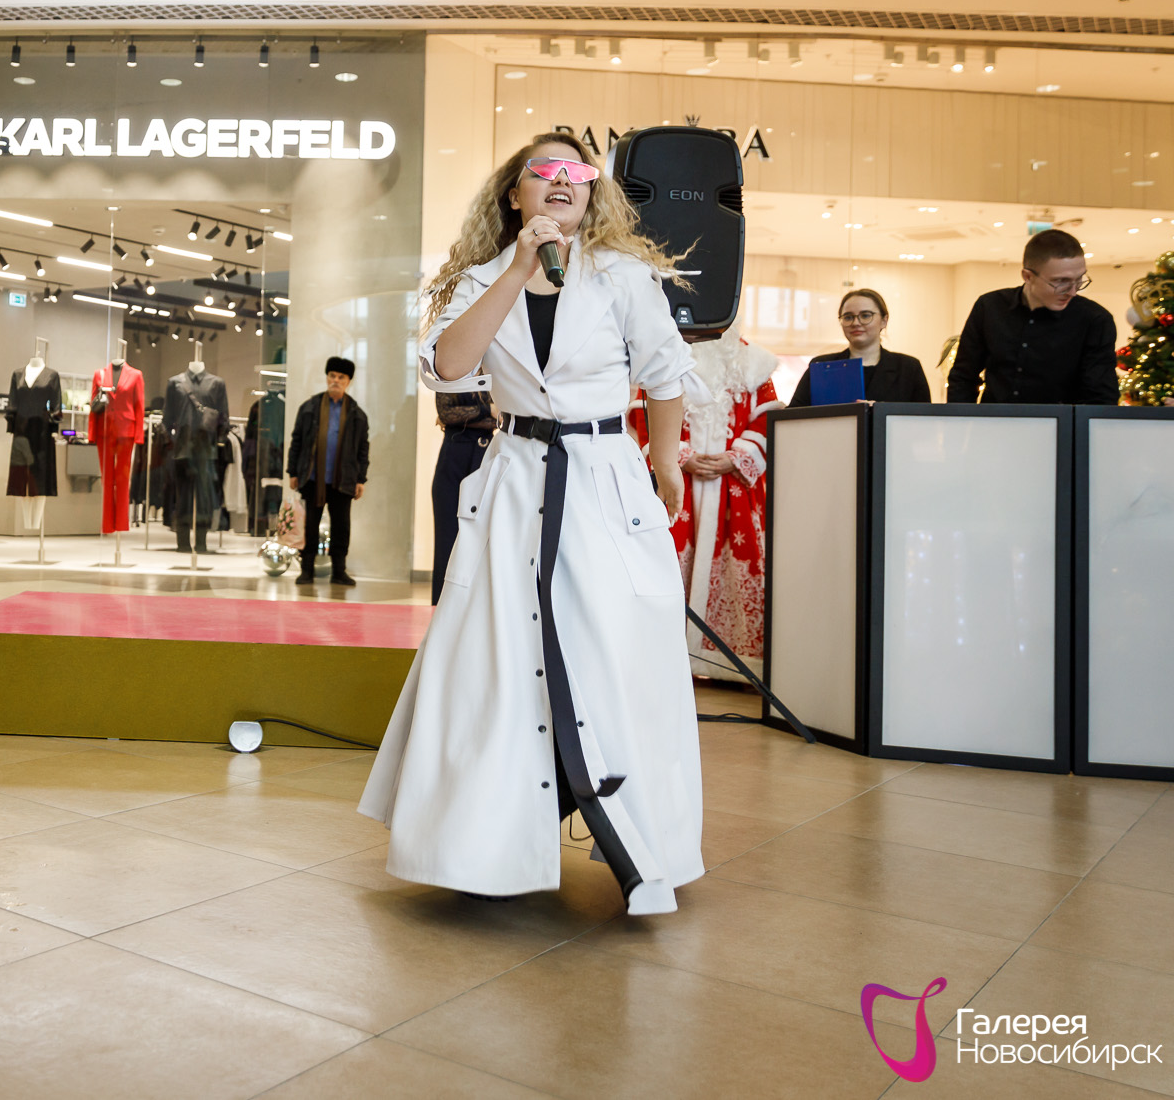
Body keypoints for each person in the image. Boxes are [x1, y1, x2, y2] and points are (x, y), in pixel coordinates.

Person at [359, 133, 705, 916]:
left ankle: (640, 840)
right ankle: (482, 844)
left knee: (614, 657)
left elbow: (664, 375)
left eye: (576, 171)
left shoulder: (623, 276)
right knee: (496, 659)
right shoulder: (485, 277)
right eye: (541, 171)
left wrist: (665, 462)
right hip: (515, 480)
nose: (561, 180)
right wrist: (518, 269)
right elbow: (451, 366)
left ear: (593, 191)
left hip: (604, 479)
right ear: (514, 194)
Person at [638, 322, 780, 682]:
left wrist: (738, 456)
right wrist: (678, 455)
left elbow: (768, 419)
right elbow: (642, 413)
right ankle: (666, 661)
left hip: (735, 490)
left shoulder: (753, 362)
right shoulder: (664, 355)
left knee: (737, 572)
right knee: (668, 567)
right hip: (678, 484)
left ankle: (734, 666)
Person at [947, 229, 1119, 405]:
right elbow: (963, 377)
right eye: (1061, 282)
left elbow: (1101, 397)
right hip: (994, 420)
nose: (1073, 292)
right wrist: (960, 419)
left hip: (1062, 422)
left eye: (1079, 279)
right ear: (1027, 276)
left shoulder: (1095, 320)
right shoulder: (989, 307)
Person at [287, 357, 369, 586]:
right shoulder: (309, 407)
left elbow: (363, 449)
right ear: (327, 377)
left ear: (348, 381)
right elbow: (297, 440)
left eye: (341, 377)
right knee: (309, 526)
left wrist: (360, 479)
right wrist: (293, 471)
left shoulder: (356, 413)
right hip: (312, 479)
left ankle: (339, 572)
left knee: (341, 527)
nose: (336, 380)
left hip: (343, 480)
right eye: (332, 376)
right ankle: (307, 570)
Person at [788, 289, 932, 405]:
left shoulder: (908, 368)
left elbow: (923, 420)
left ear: (884, 320)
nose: (856, 323)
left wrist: (880, 410)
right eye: (848, 317)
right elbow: (794, 415)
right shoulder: (821, 366)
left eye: (865, 315)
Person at [429, 390, 496, 604]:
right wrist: (488, 410)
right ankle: (441, 607)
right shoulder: (449, 377)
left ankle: (475, 608)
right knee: (446, 539)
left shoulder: (494, 376)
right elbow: (447, 413)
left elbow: (502, 419)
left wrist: (466, 417)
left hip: (485, 457)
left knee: (482, 541)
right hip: (452, 459)